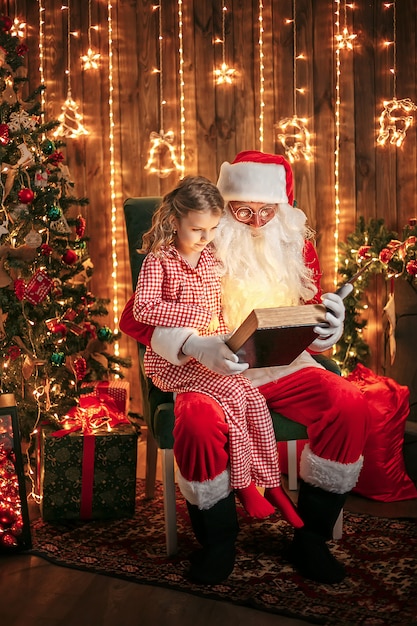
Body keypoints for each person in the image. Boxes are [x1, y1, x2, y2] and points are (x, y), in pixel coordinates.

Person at [121, 151, 369, 586]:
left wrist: (329, 327)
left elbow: (313, 307)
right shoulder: (199, 239)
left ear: (282, 210)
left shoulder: (295, 245)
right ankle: (218, 542)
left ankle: (310, 537)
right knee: (197, 422)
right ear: (224, 210)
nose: (256, 222)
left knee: (350, 405)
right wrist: (194, 345)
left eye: (267, 211)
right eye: (243, 211)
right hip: (212, 371)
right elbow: (134, 317)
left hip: (287, 367)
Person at [133, 175, 304, 524]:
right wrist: (192, 315)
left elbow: (220, 313)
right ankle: (244, 485)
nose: (205, 238)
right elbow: (143, 309)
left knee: (253, 398)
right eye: (197, 230)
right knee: (234, 398)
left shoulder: (211, 260)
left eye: (212, 229)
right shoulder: (159, 261)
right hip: (177, 364)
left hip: (213, 356)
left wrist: (234, 345)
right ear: (174, 221)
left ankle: (272, 484)